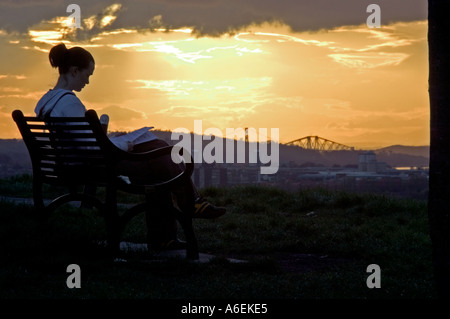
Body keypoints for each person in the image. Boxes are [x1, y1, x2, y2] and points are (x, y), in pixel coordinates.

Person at [35, 43, 226, 251]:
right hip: (94, 166)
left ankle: (171, 230)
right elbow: (92, 149)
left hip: (75, 163)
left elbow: (87, 143)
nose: (87, 81)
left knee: (158, 149)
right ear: (74, 71)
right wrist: (124, 143)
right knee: (161, 153)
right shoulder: (70, 103)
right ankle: (190, 206)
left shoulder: (47, 102)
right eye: (87, 75)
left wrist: (114, 140)